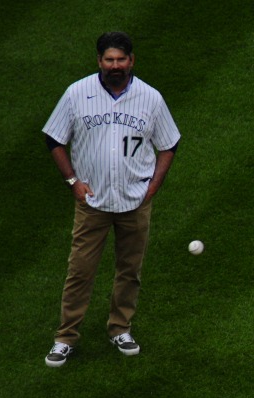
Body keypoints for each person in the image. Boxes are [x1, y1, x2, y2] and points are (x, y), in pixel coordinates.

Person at [42, 31, 181, 368]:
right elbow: (53, 137)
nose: (115, 65)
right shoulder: (78, 93)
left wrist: (153, 186)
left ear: (131, 61)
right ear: (99, 61)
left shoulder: (150, 98)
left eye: (121, 59)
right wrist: (73, 181)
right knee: (80, 271)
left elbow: (169, 144)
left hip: (135, 201)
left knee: (129, 270)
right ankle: (65, 337)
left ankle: (120, 328)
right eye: (109, 60)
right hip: (92, 203)